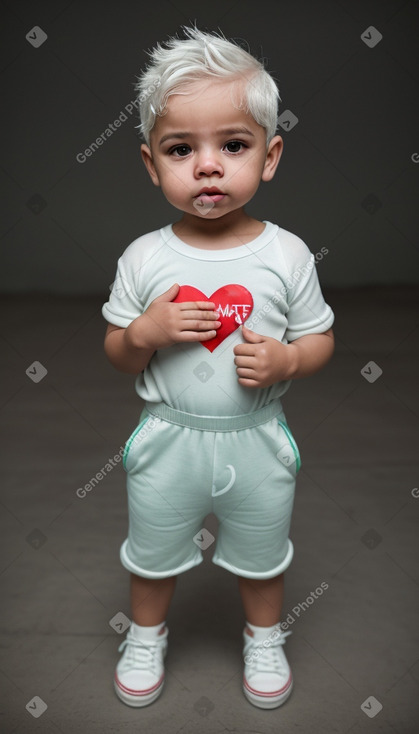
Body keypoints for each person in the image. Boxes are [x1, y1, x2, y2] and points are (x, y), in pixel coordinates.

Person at [102, 25, 335, 711]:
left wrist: (289, 357)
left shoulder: (286, 255)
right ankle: (145, 635)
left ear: (269, 155)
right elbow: (117, 354)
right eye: (182, 149)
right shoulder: (144, 258)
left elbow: (320, 340)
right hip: (167, 436)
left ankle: (264, 638)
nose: (207, 166)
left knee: (263, 555)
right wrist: (143, 332)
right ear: (152, 164)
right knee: (151, 552)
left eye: (232, 145)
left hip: (257, 437)